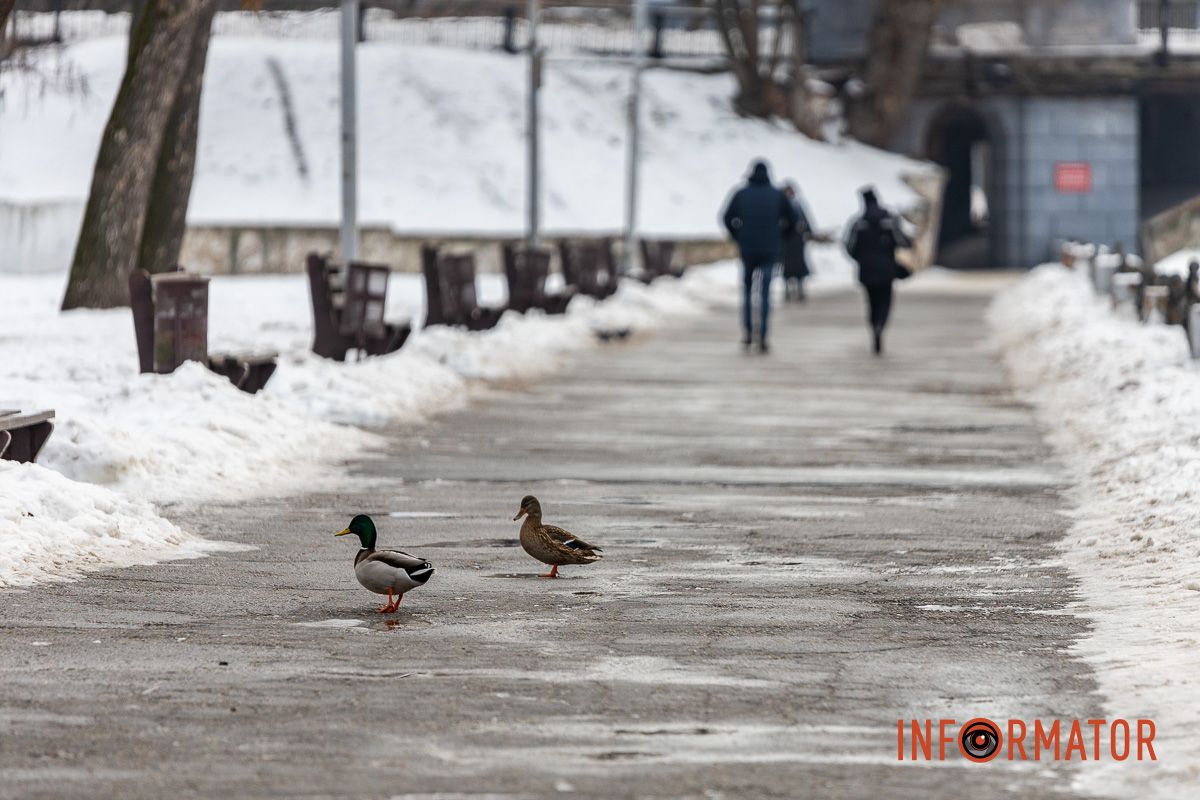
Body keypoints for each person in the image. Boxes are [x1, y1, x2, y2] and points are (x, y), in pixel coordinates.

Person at [722, 160, 799, 353]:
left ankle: (748, 333)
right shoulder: (777, 195)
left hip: (747, 249)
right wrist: (781, 237)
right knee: (764, 293)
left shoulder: (741, 193)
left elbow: (726, 218)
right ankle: (763, 335)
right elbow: (793, 219)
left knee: (748, 292)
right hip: (769, 250)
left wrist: (738, 236)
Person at [845, 187, 911, 355]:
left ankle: (874, 326)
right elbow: (902, 240)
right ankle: (881, 324)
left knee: (871, 302)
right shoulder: (889, 219)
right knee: (885, 301)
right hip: (887, 268)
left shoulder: (858, 222)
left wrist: (860, 258)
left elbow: (849, 247)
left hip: (866, 269)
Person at [781, 182, 813, 302]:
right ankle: (788, 291)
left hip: (796, 240)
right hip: (787, 240)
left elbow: (806, 219)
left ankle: (800, 290)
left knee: (798, 267)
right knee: (787, 268)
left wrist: (809, 231)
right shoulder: (783, 205)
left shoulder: (797, 205)